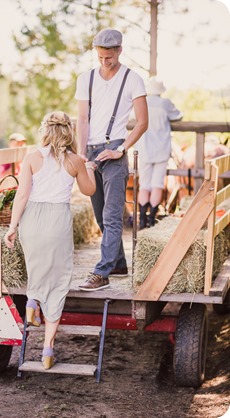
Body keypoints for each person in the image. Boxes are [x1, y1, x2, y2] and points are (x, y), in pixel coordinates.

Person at [4, 111, 96, 369]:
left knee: (37, 267)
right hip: (57, 220)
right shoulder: (75, 160)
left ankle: (32, 302)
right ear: (69, 131)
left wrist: (12, 227)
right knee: (58, 280)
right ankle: (47, 351)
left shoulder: (31, 157)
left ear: (45, 130)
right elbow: (89, 190)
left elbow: (21, 196)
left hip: (31, 220)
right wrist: (88, 168)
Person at [75, 28, 148, 291]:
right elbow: (82, 119)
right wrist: (82, 153)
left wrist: (122, 149)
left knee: (113, 214)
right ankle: (117, 263)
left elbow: (142, 122)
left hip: (115, 151)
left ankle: (102, 272)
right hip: (92, 152)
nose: (105, 61)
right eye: (101, 56)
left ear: (119, 50)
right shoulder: (86, 79)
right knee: (99, 214)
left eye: (110, 56)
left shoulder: (133, 79)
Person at [135, 76, 183, 229]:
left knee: (144, 185)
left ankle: (141, 220)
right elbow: (178, 116)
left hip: (143, 148)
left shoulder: (141, 102)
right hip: (161, 149)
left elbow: (131, 116)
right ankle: (151, 219)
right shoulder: (165, 104)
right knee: (157, 184)